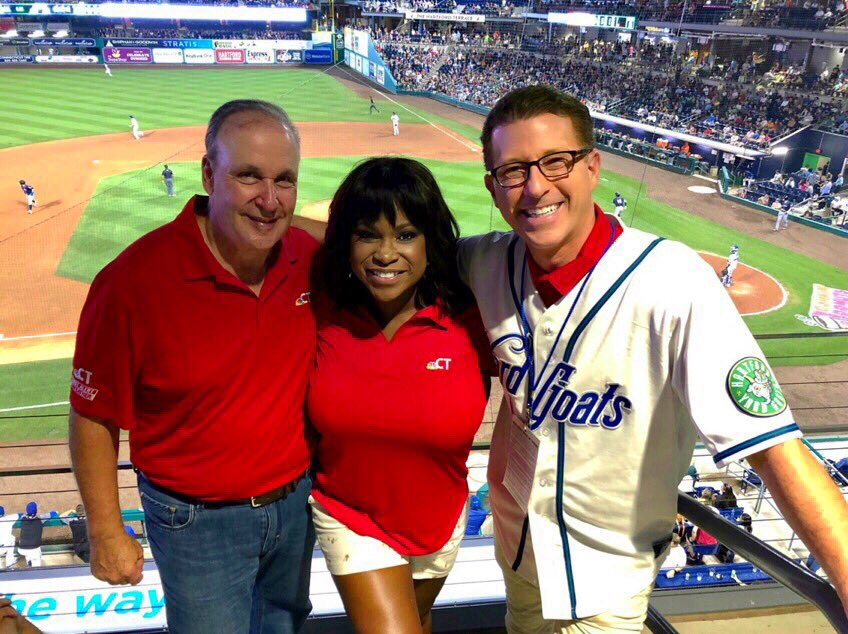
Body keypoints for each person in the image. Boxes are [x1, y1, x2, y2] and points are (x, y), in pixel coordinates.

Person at [457, 85, 848, 629]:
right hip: (516, 555)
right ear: (493, 188)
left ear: (592, 167)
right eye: (513, 171)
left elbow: (775, 448)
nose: (536, 186)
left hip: (609, 585)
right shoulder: (482, 262)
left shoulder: (674, 282)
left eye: (556, 161)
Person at [69, 99, 319, 633]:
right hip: (195, 523)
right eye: (248, 176)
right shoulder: (132, 282)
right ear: (208, 174)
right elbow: (93, 414)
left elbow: (365, 241)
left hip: (296, 506)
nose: (269, 199)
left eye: (284, 180)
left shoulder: (307, 256)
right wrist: (106, 531)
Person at [308, 157, 493, 633]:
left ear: (432, 241)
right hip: (349, 515)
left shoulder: (472, 316)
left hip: (440, 520)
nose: (386, 254)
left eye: (406, 235)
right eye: (368, 235)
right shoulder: (323, 305)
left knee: (416, 620)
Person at [17, 502, 43, 568]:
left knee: (32, 550)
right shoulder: (41, 519)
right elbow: (54, 513)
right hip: (33, 549)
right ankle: (33, 564)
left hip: (21, 549)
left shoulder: (23, 518)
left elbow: (20, 515)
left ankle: (29, 560)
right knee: (37, 568)